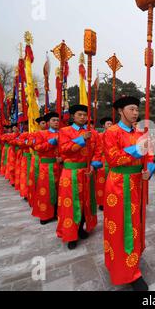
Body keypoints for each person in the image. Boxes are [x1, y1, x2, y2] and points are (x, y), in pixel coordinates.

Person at [102, 96, 155, 291]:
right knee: (122, 225)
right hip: (118, 185)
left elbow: (150, 155)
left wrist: (149, 170)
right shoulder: (111, 132)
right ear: (120, 111)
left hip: (137, 184)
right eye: (132, 109)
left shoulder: (141, 132)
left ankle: (133, 261)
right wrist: (136, 149)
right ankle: (126, 270)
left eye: (137, 110)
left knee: (136, 223)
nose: (136, 113)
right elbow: (113, 159)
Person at [56, 105, 102, 250]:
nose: (82, 117)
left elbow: (98, 152)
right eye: (79, 114)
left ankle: (82, 227)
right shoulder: (64, 131)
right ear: (73, 116)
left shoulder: (93, 133)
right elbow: (64, 149)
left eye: (84, 115)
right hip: (70, 174)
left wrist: (94, 166)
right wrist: (81, 139)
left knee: (86, 203)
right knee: (70, 204)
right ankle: (70, 234)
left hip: (87, 172)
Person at [32, 112, 61, 225]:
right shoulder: (41, 134)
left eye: (58, 120)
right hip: (46, 167)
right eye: (54, 120)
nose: (56, 122)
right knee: (45, 191)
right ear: (48, 122)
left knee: (60, 191)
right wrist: (50, 143)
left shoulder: (63, 133)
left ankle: (58, 212)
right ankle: (45, 214)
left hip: (60, 166)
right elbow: (37, 147)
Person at [96, 117, 113, 211]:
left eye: (111, 124)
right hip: (102, 160)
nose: (110, 125)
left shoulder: (115, 134)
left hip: (112, 160)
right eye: (108, 124)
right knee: (101, 182)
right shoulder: (99, 135)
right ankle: (102, 203)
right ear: (103, 126)